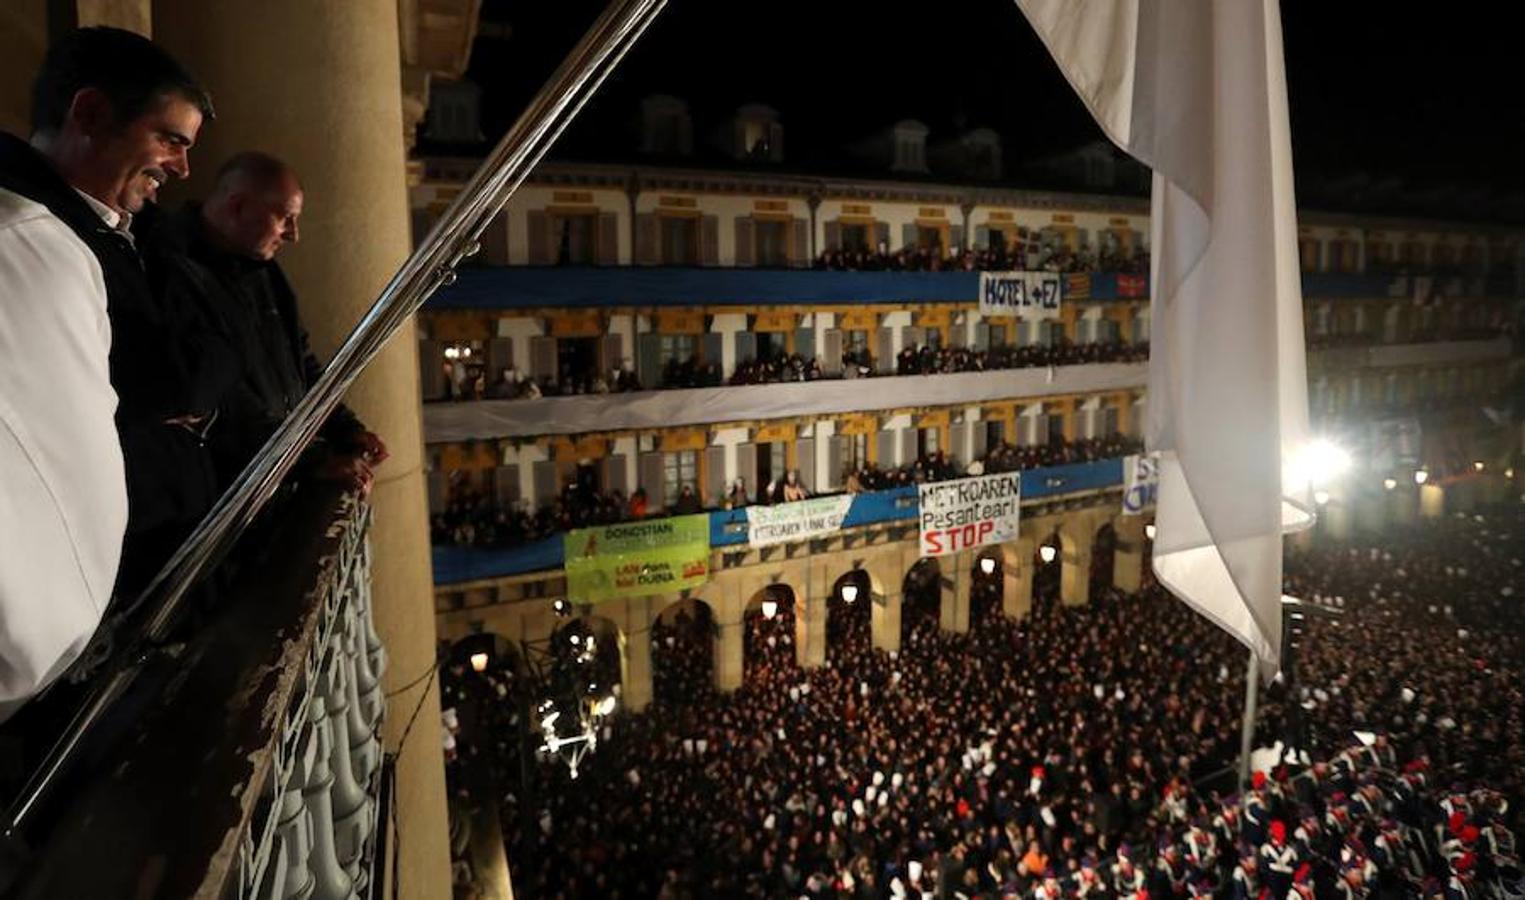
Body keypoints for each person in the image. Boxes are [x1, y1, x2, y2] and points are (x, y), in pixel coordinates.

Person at [0, 27, 211, 718]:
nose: (181, 169)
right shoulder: (25, 239)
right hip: (62, 653)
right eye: (171, 140)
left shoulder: (128, 228)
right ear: (88, 115)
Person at [146, 152, 386, 495]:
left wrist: (344, 428)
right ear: (238, 206)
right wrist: (309, 460)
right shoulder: (171, 270)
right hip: (223, 489)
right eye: (285, 219)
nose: (293, 235)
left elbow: (300, 363)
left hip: (268, 477)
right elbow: (222, 403)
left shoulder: (263, 270)